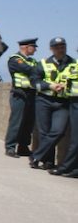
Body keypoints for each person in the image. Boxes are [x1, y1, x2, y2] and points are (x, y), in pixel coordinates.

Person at [30, 37, 74, 170]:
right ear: (51, 49)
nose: (61, 49)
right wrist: (50, 86)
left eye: (63, 46)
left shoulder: (73, 63)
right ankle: (48, 161)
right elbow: (34, 81)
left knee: (58, 131)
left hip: (63, 102)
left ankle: (35, 156)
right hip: (44, 100)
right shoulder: (42, 63)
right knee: (44, 132)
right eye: (57, 47)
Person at [3, 38, 39, 158]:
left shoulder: (33, 61)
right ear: (26, 47)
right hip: (19, 94)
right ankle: (10, 147)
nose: (35, 49)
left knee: (28, 122)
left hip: (31, 94)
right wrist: (37, 72)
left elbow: (39, 72)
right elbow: (28, 70)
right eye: (33, 46)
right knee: (16, 121)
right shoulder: (15, 59)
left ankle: (23, 147)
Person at [49, 45, 78, 177]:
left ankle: (66, 167)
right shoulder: (75, 64)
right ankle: (74, 169)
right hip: (72, 101)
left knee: (75, 139)